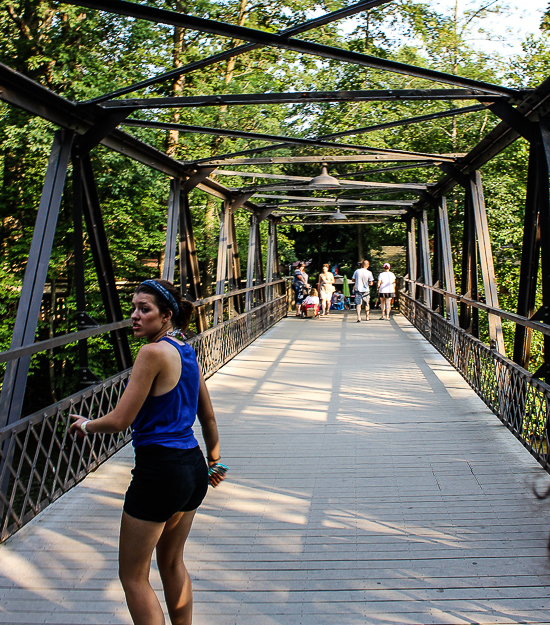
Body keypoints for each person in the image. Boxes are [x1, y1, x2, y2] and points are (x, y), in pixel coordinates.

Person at [69, 279, 225, 625]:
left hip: (160, 472)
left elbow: (121, 420)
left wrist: (85, 426)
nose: (134, 316)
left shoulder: (151, 353)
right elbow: (208, 415)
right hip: (193, 467)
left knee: (133, 577)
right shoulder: (185, 349)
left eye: (145, 309)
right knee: (172, 563)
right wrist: (215, 461)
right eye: (134, 308)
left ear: (166, 315)